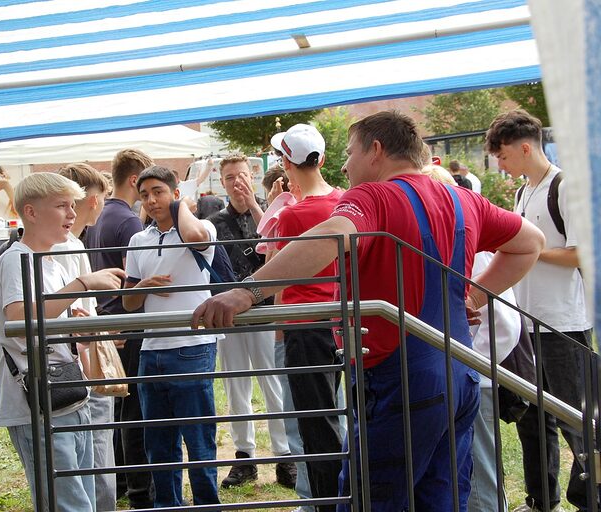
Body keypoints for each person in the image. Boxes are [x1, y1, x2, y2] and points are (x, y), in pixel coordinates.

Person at [192, 110, 545, 511]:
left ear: (376, 150)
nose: (344, 164)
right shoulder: (464, 199)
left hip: (399, 380)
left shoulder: (373, 196)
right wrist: (473, 298)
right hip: (458, 370)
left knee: (369, 500)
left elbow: (331, 234)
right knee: (441, 499)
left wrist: (246, 293)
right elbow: (529, 242)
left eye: (351, 152)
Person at [0, 172, 125, 512]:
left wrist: (80, 333)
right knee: (68, 503)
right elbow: (21, 320)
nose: (71, 214)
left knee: (80, 498)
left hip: (66, 394)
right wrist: (82, 283)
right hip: (37, 400)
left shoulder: (50, 262)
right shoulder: (16, 258)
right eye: (61, 206)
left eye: (72, 205)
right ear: (31, 212)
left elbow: (46, 323)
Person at [486, 109, 595, 512]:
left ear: (525, 147)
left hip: (565, 324)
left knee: (577, 422)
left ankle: (589, 498)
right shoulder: (521, 192)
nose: (500, 164)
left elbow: (581, 253)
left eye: (503, 155)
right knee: (533, 420)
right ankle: (541, 499)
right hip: (526, 323)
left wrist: (529, 250)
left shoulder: (565, 186)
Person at [421, 164, 520, 512]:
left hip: (473, 371)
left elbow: (505, 320)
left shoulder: (467, 247)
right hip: (462, 370)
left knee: (478, 472)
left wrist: (472, 356)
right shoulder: (457, 241)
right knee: (465, 468)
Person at [123, 166, 221, 507]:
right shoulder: (138, 240)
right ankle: (168, 504)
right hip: (152, 350)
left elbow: (196, 239)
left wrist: (182, 210)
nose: (151, 200)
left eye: (159, 192)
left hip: (192, 347)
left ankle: (208, 503)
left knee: (198, 440)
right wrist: (143, 286)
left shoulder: (200, 226)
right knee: (158, 443)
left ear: (176, 194)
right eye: (145, 194)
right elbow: (128, 301)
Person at [266, 123, 346, 511]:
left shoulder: (292, 215)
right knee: (335, 416)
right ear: (322, 159)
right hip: (340, 322)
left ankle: (325, 503)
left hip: (303, 323)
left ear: (286, 162)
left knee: (314, 423)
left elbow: (274, 269)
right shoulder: (345, 202)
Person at [207, 154, 295, 489]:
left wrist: (256, 207)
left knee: (272, 383)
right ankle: (244, 456)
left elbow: (275, 243)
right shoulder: (213, 220)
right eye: (230, 178)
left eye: (241, 176)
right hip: (229, 315)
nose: (236, 183)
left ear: (251, 176)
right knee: (235, 385)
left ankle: (285, 455)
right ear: (221, 181)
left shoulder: (270, 212)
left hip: (266, 310)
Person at [82, 148, 156, 509]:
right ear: (133, 180)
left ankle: (124, 481)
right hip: (127, 325)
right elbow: (135, 278)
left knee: (119, 411)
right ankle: (140, 488)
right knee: (134, 413)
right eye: (146, 187)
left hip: (107, 320)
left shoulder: (100, 218)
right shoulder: (128, 222)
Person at [53, 163, 117, 511]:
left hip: (79, 367)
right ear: (93, 199)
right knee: (94, 460)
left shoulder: (72, 244)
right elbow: (76, 317)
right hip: (79, 372)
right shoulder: (68, 247)